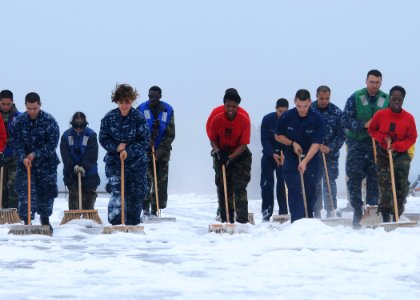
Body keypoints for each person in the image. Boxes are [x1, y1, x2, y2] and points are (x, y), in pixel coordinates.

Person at [342, 69, 389, 228]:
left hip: (377, 145)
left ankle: (371, 211)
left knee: (375, 179)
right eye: (371, 82)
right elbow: (345, 119)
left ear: (381, 82)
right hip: (357, 144)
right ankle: (357, 209)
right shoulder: (356, 97)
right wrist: (363, 125)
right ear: (366, 81)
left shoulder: (386, 99)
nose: (374, 85)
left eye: (377, 82)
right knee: (354, 178)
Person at [99, 84, 149, 225]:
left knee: (135, 196)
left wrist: (129, 150)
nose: (124, 106)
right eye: (121, 102)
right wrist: (116, 147)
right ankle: (116, 225)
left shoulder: (138, 118)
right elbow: (103, 138)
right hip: (115, 162)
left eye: (127, 102)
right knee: (116, 192)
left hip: (136, 164)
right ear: (117, 102)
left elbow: (144, 140)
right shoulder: (109, 117)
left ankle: (132, 228)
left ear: (132, 101)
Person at [368, 85, 417, 222]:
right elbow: (372, 130)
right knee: (385, 186)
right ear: (389, 99)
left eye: (399, 100)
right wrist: (383, 138)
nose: (396, 102)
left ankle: (397, 214)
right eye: (394, 99)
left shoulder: (408, 118)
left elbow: (412, 138)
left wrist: (397, 146)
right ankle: (385, 217)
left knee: (401, 187)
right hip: (384, 154)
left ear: (403, 100)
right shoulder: (380, 115)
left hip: (401, 156)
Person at [11, 92, 59, 230]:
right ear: (25, 106)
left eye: (35, 108)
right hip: (25, 165)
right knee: (25, 193)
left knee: (47, 193)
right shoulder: (18, 122)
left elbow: (52, 143)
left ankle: (45, 220)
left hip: (46, 164)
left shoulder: (49, 121)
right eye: (29, 108)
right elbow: (15, 142)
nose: (32, 111)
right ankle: (26, 222)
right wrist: (23, 157)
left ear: (40, 105)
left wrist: (35, 154)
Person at [275, 89, 324, 223]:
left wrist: (305, 161)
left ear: (309, 102)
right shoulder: (287, 116)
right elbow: (278, 136)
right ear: (295, 102)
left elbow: (316, 144)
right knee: (295, 189)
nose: (302, 109)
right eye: (299, 106)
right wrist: (292, 143)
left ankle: (308, 221)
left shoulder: (317, 118)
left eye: (305, 106)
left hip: (311, 158)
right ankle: (297, 223)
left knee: (309, 190)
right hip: (291, 157)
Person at [208, 90, 252, 223]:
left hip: (239, 153)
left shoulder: (244, 119)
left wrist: (230, 158)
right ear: (224, 105)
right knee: (222, 186)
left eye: (234, 106)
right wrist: (218, 152)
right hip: (221, 152)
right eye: (228, 106)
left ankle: (242, 220)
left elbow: (244, 144)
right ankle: (226, 218)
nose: (231, 109)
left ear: (238, 106)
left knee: (239, 185)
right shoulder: (216, 118)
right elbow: (212, 139)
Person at [137, 86, 175, 217]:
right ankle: (145, 209)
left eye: (155, 96)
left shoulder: (168, 109)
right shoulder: (141, 109)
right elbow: (137, 131)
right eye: (150, 96)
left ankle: (156, 209)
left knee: (161, 181)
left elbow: (171, 133)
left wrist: (162, 148)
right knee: (145, 180)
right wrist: (146, 142)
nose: (152, 99)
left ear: (160, 96)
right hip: (145, 151)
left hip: (162, 152)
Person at [311, 86, 345, 218]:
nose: (324, 101)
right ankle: (316, 210)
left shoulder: (336, 112)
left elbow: (342, 134)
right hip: (313, 154)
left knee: (330, 181)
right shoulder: (310, 110)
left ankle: (331, 209)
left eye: (327, 98)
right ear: (316, 96)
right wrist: (316, 146)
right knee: (315, 182)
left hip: (330, 154)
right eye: (321, 98)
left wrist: (330, 147)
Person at [60, 112, 100, 210]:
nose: (78, 128)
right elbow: (65, 155)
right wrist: (74, 166)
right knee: (74, 199)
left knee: (88, 201)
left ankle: (88, 221)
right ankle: (74, 223)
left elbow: (92, 154)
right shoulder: (66, 136)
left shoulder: (91, 135)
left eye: (81, 125)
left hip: (90, 174)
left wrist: (83, 166)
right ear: (72, 123)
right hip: (71, 173)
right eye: (75, 125)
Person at [260, 98, 289, 221]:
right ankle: (266, 214)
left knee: (282, 184)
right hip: (269, 156)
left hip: (284, 156)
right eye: (280, 111)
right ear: (276, 109)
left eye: (285, 111)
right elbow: (264, 140)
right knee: (266, 184)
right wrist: (272, 154)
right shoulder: (267, 119)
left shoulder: (291, 119)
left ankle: (283, 214)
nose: (282, 114)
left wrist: (285, 154)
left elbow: (291, 140)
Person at [0, 90, 15, 208]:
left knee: (13, 185)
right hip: (0, 155)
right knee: (1, 186)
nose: (5, 107)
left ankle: (13, 213)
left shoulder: (19, 117)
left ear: (12, 102)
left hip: (14, 157)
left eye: (8, 104)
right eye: (3, 104)